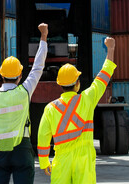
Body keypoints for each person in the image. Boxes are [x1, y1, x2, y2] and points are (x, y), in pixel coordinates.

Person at [37, 37, 117, 184]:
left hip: (62, 161)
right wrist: (110, 49)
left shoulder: (50, 108)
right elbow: (104, 77)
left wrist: (43, 162)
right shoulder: (87, 99)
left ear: (60, 84)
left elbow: (43, 136)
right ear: (77, 83)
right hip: (83, 160)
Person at [0, 23, 48, 184]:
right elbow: (38, 67)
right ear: (19, 75)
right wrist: (43, 37)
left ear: (2, 76)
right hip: (22, 150)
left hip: (0, 152)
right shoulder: (24, 92)